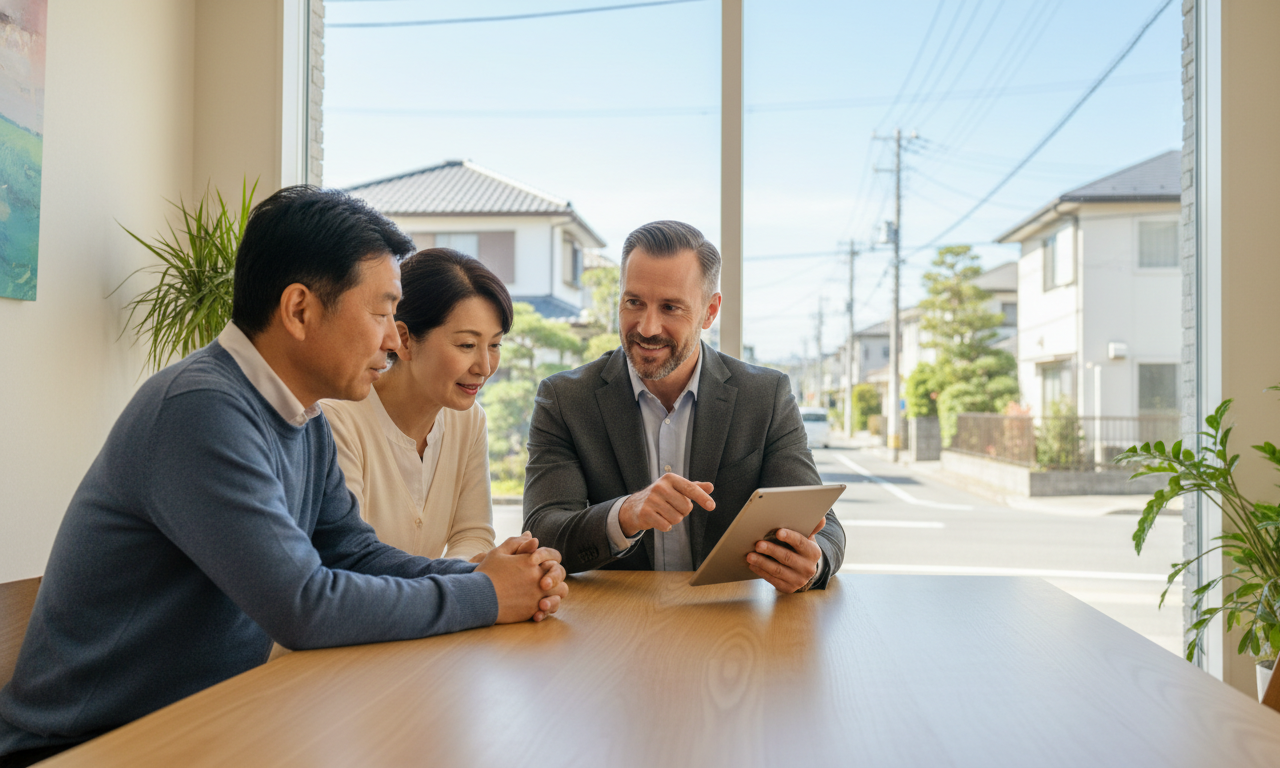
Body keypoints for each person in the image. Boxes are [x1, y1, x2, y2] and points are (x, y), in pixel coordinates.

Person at [0, 187, 567, 767]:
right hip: (88, 748)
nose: (394, 338)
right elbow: (304, 605)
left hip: (207, 727)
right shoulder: (201, 409)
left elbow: (353, 553)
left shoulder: (302, 415)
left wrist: (492, 576)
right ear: (299, 310)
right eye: (380, 313)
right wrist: (484, 592)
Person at [523, 220, 845, 591]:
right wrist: (625, 514)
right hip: (611, 623)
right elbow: (542, 531)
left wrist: (811, 561)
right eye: (634, 302)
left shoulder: (765, 396)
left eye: (671, 307)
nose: (647, 327)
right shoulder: (565, 400)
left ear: (710, 311)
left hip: (726, 621)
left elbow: (824, 525)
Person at [322, 248, 506, 562]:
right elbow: (353, 560)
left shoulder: (469, 420)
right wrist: (461, 585)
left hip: (432, 607)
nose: (485, 367)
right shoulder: (338, 419)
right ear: (404, 339)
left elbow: (473, 534)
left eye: (494, 345)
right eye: (467, 345)